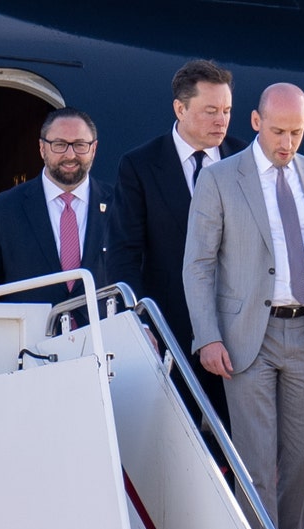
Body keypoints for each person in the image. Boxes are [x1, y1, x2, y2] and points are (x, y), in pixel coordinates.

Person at [183, 82, 304, 529]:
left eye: (296, 132)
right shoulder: (219, 179)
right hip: (247, 336)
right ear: (255, 122)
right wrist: (207, 335)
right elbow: (199, 264)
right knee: (255, 467)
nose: (287, 142)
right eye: (278, 130)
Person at [106, 60, 247, 429]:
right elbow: (123, 251)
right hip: (169, 332)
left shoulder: (246, 160)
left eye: (228, 110)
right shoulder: (139, 165)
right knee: (171, 445)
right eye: (211, 111)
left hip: (240, 335)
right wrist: (138, 322)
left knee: (243, 449)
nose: (222, 121)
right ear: (180, 109)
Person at [0, 107, 111, 381]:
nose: (70, 155)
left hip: (102, 358)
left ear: (94, 148)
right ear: (42, 148)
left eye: (80, 145)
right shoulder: (4, 209)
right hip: (28, 361)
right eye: (59, 144)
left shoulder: (120, 205)